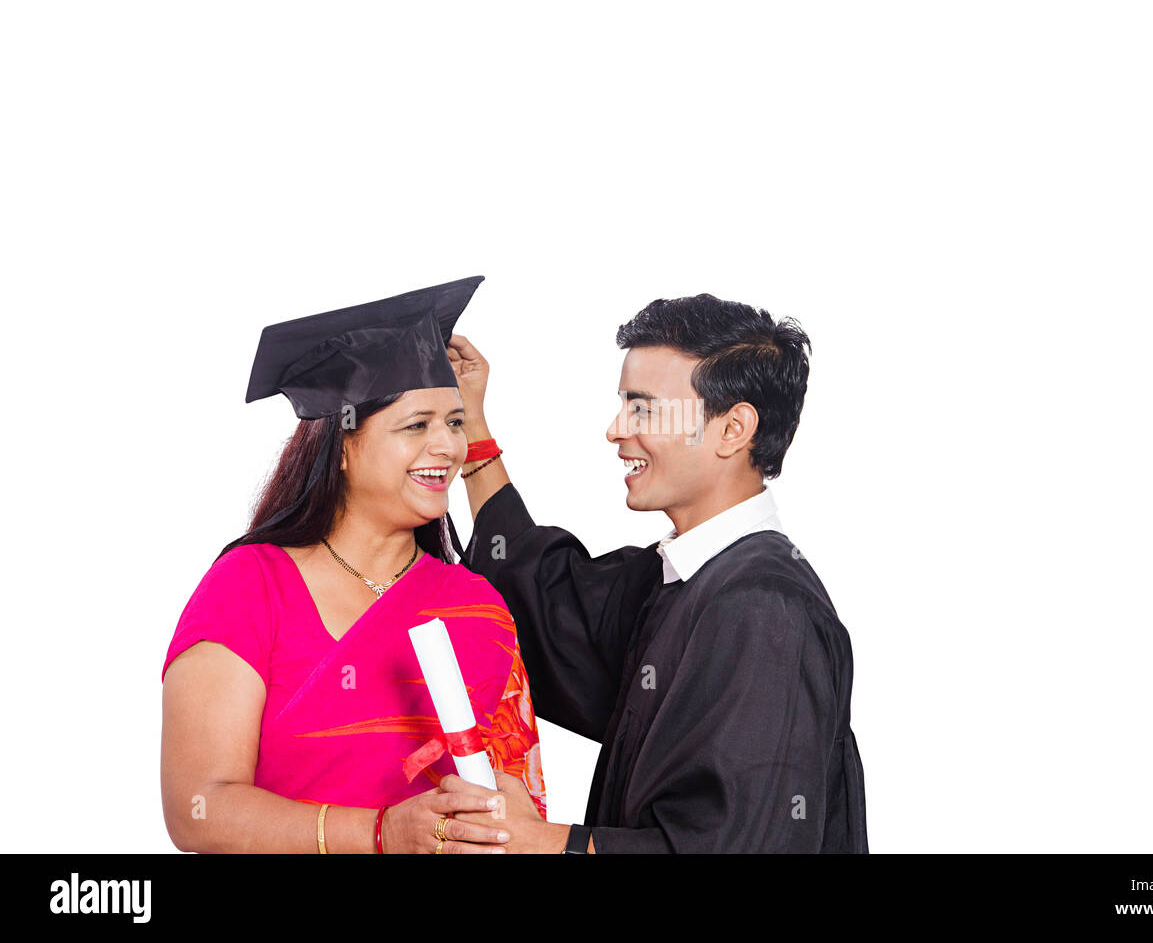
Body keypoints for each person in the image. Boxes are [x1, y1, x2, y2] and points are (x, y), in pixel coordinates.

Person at [441, 293, 869, 853]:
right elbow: (551, 604)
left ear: (733, 428)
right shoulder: (682, 578)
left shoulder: (766, 611)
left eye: (643, 408)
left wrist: (540, 844)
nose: (616, 430)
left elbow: (729, 845)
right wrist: (472, 429)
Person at [161, 276, 545, 854]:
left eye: (455, 421)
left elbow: (518, 797)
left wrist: (505, 817)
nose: (446, 446)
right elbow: (199, 809)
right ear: (342, 445)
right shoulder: (251, 587)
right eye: (417, 425)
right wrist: (379, 833)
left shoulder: (476, 605)